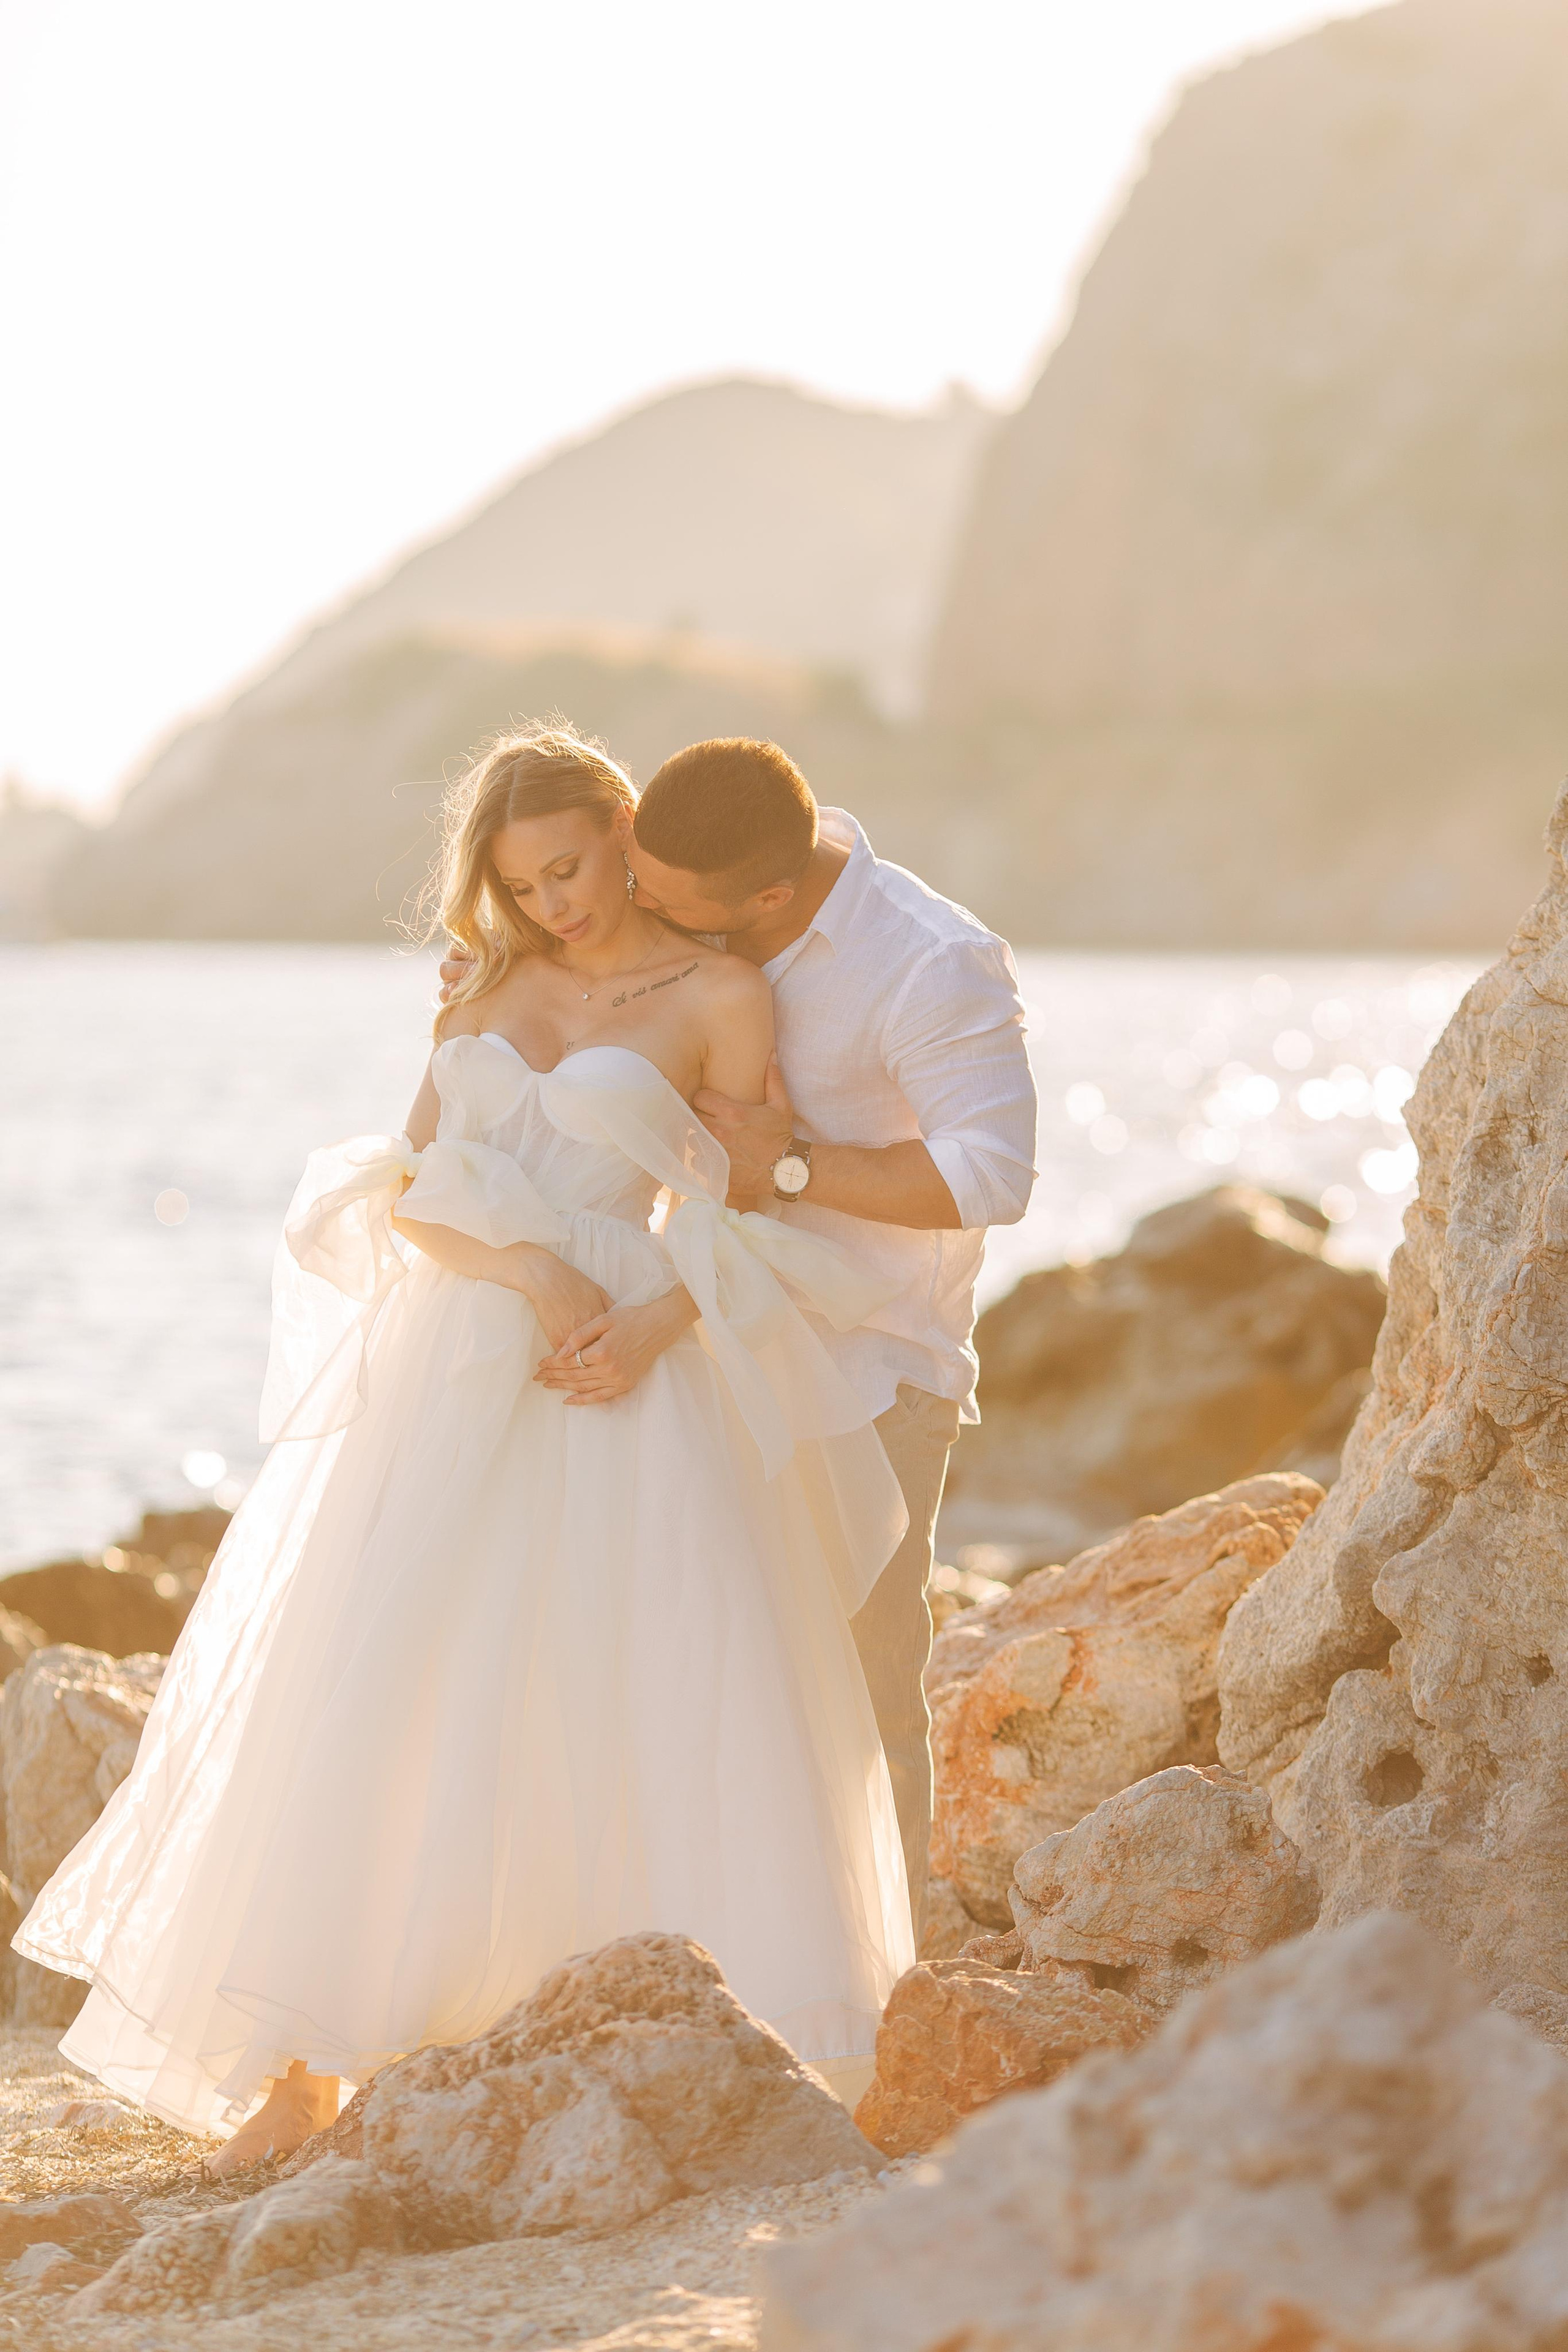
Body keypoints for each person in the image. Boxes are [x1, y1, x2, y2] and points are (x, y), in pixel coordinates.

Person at [14, 725, 916, 2167]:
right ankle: (306, 2067)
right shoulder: (483, 989)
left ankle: (678, 2035)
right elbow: (414, 1192)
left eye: (571, 868)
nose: (555, 903)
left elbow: (750, 1209)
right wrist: (530, 1272)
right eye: (524, 883)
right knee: (388, 1676)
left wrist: (649, 1322)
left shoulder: (719, 996)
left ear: (624, 833)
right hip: (470, 1351)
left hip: (628, 1359)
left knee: (637, 1681)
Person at [443, 736, 1038, 1933]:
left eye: (664, 901)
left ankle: (886, 1982)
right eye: (636, 880)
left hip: (865, 1360)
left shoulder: (929, 964)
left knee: (862, 1681)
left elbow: (993, 1176)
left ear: (765, 899)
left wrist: (794, 1164)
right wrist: (511, 997)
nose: (640, 907)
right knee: (708, 1672)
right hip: (699, 1344)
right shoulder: (705, 869)